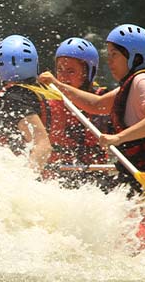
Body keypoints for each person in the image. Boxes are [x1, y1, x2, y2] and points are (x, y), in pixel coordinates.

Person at [39, 24, 145, 208]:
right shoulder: (133, 84)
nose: (109, 61)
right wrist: (57, 84)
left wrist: (119, 137)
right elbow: (96, 105)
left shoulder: (143, 81)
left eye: (114, 54)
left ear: (134, 57)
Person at [37, 37, 114, 189]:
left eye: (71, 71)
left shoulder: (104, 99)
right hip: (56, 176)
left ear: (88, 74)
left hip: (94, 177)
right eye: (59, 70)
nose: (63, 77)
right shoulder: (47, 101)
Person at [0, 35, 56, 173]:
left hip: (29, 174)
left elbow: (43, 146)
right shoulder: (42, 90)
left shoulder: (12, 99)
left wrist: (27, 180)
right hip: (58, 173)